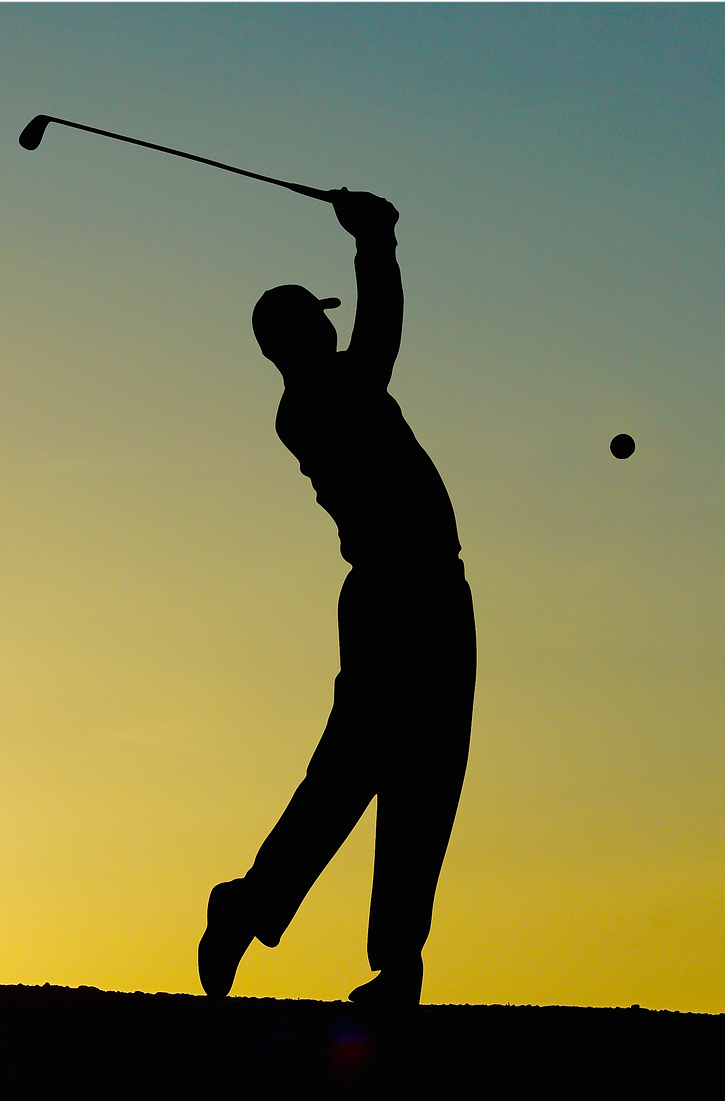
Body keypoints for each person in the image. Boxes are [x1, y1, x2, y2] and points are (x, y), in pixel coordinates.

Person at [197, 189, 475, 1006]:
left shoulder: (322, 394)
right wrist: (376, 241)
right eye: (317, 322)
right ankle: (255, 906)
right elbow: (381, 335)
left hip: (426, 590)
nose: (331, 326)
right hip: (401, 597)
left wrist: (377, 242)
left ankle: (391, 964)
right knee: (363, 770)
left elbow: (372, 343)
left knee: (423, 775)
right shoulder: (320, 400)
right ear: (299, 337)